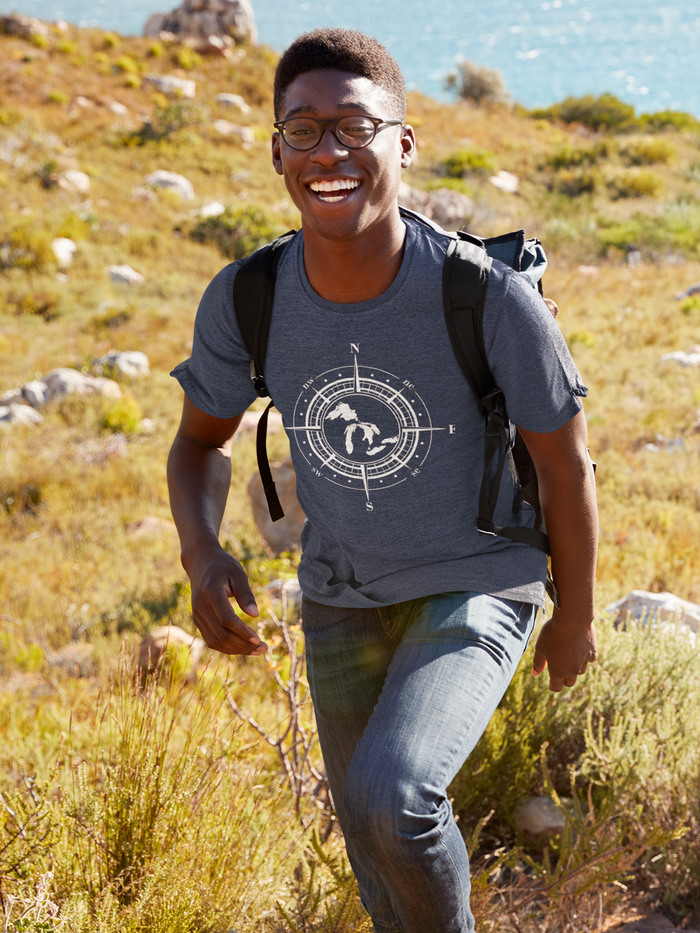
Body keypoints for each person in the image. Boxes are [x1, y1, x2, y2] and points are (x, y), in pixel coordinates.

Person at [167, 27, 598, 933]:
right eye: (303, 129)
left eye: (355, 128)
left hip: (477, 579)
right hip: (339, 598)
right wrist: (203, 555)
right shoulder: (248, 297)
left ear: (403, 142)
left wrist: (578, 615)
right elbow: (199, 443)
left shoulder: (486, 296)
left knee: (393, 796)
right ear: (277, 149)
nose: (329, 151)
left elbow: (563, 462)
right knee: (370, 841)